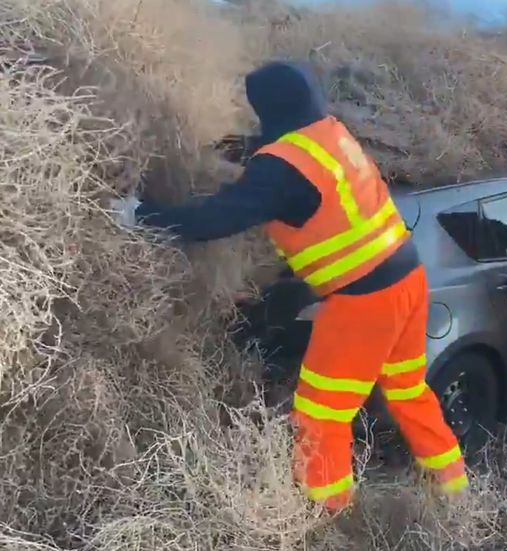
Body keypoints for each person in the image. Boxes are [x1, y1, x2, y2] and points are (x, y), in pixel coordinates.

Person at [109, 60, 468, 513]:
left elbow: (215, 219)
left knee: (321, 415)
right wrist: (240, 151)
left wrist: (140, 215)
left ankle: (328, 514)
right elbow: (290, 161)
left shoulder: (278, 170)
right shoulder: (330, 132)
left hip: (364, 302)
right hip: (410, 280)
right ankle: (455, 489)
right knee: (407, 388)